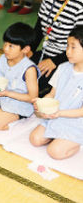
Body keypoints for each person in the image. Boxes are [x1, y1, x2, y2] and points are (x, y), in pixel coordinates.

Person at [29, 0, 83, 97]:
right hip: (45, 54)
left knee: (36, 93)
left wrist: (55, 61)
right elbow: (39, 30)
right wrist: (28, 50)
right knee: (18, 77)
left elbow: (79, 47)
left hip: (67, 59)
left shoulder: (80, 5)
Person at [29, 26, 83, 160]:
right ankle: (59, 137)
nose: (67, 51)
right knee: (35, 139)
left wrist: (59, 113)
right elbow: (52, 94)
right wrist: (42, 103)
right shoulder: (63, 67)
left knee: (55, 152)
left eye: (73, 47)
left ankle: (75, 142)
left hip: (76, 122)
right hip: (56, 116)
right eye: (67, 46)